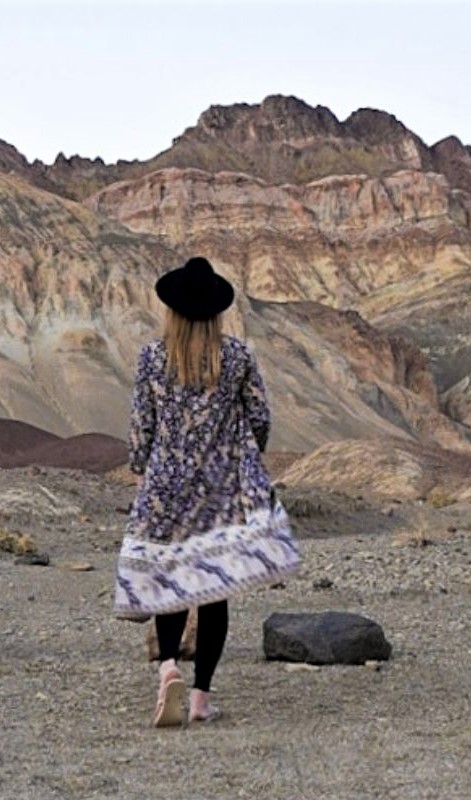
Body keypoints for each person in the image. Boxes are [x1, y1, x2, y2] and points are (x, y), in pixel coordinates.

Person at [114, 256, 300, 728]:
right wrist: (242, 457)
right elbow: (259, 417)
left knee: (170, 585)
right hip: (221, 485)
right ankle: (200, 697)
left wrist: (142, 470)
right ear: (217, 311)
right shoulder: (235, 356)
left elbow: (141, 425)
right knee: (215, 590)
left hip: (166, 484)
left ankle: (169, 666)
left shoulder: (153, 357)